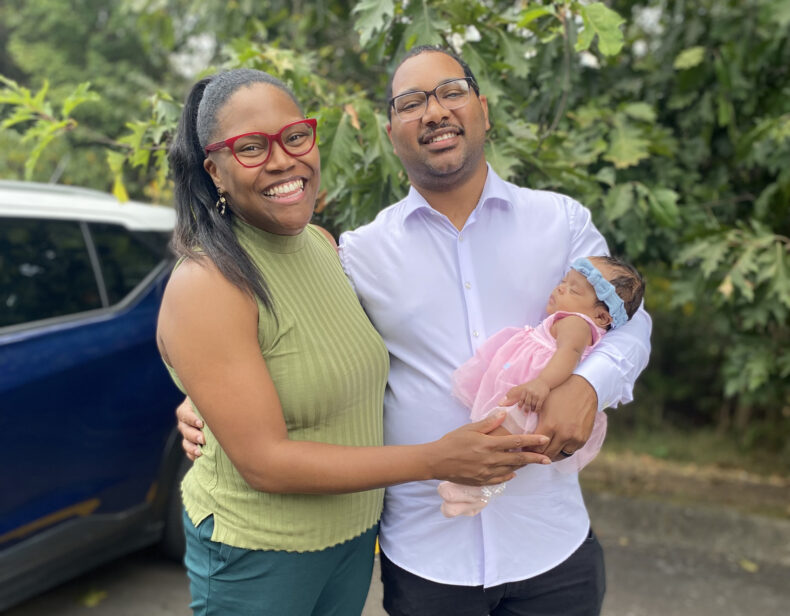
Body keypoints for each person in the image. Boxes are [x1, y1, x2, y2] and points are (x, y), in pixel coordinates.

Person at [178, 48, 652, 615]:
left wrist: (588, 385)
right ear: (390, 132)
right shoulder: (357, 253)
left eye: (451, 92)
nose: (434, 112)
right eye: (411, 103)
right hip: (427, 555)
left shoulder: (562, 222)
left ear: (482, 109)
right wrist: (200, 398)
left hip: (551, 541)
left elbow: (629, 319)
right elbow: (297, 341)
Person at [438, 255, 646, 517]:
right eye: (563, 282)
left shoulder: (577, 323)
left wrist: (542, 383)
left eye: (574, 289)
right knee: (507, 444)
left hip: (538, 397)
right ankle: (476, 487)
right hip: (535, 389)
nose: (560, 289)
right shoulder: (572, 320)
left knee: (502, 439)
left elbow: (568, 354)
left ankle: (473, 483)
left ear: (601, 316)